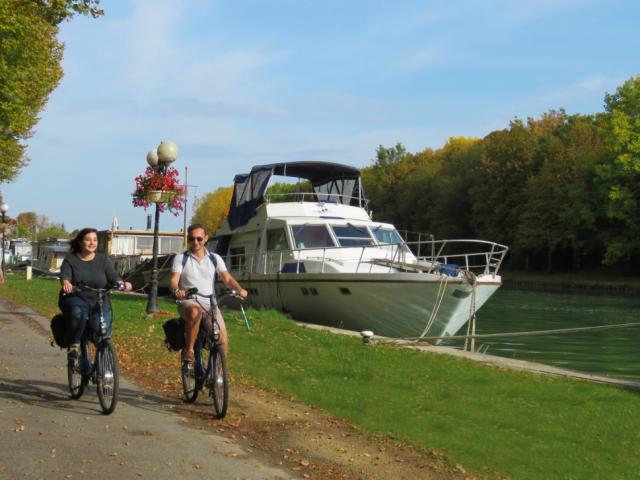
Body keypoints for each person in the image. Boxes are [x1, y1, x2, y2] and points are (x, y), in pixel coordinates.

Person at [169, 224, 247, 365]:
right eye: (192, 239)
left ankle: (217, 377)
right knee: (194, 311)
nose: (195, 242)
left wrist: (239, 289)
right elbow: (174, 280)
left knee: (222, 340)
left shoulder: (214, 258)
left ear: (206, 239)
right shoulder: (181, 259)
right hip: (188, 301)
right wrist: (177, 291)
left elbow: (227, 278)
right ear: (188, 240)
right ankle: (189, 350)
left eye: (199, 238)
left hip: (210, 304)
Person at [59, 228, 132, 361]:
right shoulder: (71, 259)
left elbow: (113, 276)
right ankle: (74, 345)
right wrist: (66, 283)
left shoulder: (102, 260)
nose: (92, 243)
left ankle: (103, 365)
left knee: (101, 332)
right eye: (88, 240)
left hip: (98, 299)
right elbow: (65, 275)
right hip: (76, 297)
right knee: (78, 313)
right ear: (81, 242)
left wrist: (122, 283)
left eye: (95, 240)